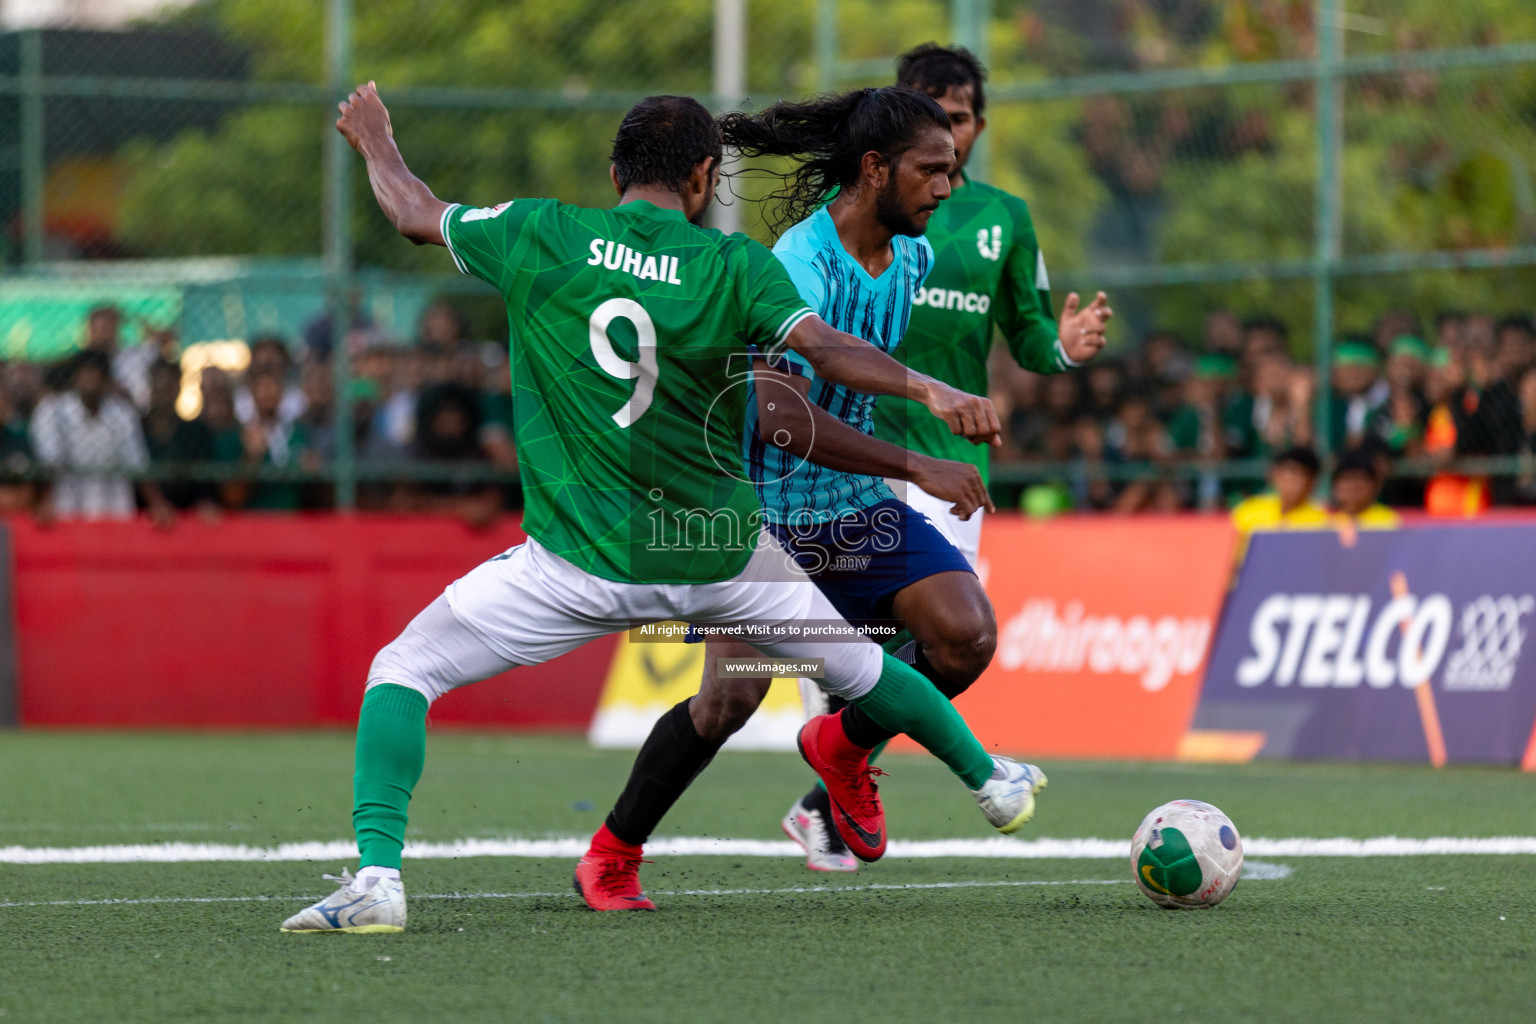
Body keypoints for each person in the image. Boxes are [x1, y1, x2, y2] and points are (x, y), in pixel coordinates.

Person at [280, 84, 1036, 934]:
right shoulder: (738, 263)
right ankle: (990, 779)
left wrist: (377, 141)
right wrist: (931, 391)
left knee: (403, 671)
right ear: (705, 177)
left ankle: (379, 878)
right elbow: (821, 349)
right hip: (720, 558)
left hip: (580, 566)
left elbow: (415, 212)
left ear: (614, 174)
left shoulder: (540, 233)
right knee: (867, 675)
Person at [575, 84, 1050, 891]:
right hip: (764, 521)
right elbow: (778, 421)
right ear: (874, 169)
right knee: (728, 704)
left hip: (854, 511)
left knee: (964, 634)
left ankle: (840, 747)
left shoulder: (915, 258)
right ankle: (611, 855)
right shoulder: (799, 261)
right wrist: (917, 460)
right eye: (931, 170)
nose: (946, 186)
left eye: (951, 169)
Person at [876, 43, 1111, 566]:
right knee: (857, 633)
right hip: (862, 451)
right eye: (925, 114)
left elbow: (1031, 337)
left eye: (956, 118)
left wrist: (1063, 347)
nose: (943, 132)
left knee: (946, 637)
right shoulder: (863, 205)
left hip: (954, 461)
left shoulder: (1006, 217)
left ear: (978, 127)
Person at [30, 350, 172, 525]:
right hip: (66, 512)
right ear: (74, 378)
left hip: (113, 512)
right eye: (85, 373)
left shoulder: (122, 413)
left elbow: (137, 465)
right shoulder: (53, 411)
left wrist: (157, 504)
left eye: (96, 374)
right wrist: (45, 502)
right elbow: (48, 465)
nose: (90, 379)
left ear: (106, 380)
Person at [1230, 445, 1329, 560]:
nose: (1293, 479)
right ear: (1275, 474)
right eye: (1290, 472)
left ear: (1312, 482)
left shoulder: (1321, 521)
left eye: (1301, 474)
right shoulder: (1249, 509)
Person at [1330, 447, 1400, 528]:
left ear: (1375, 484)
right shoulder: (1326, 523)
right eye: (1346, 479)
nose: (1352, 486)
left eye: (1358, 479)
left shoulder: (1388, 521)